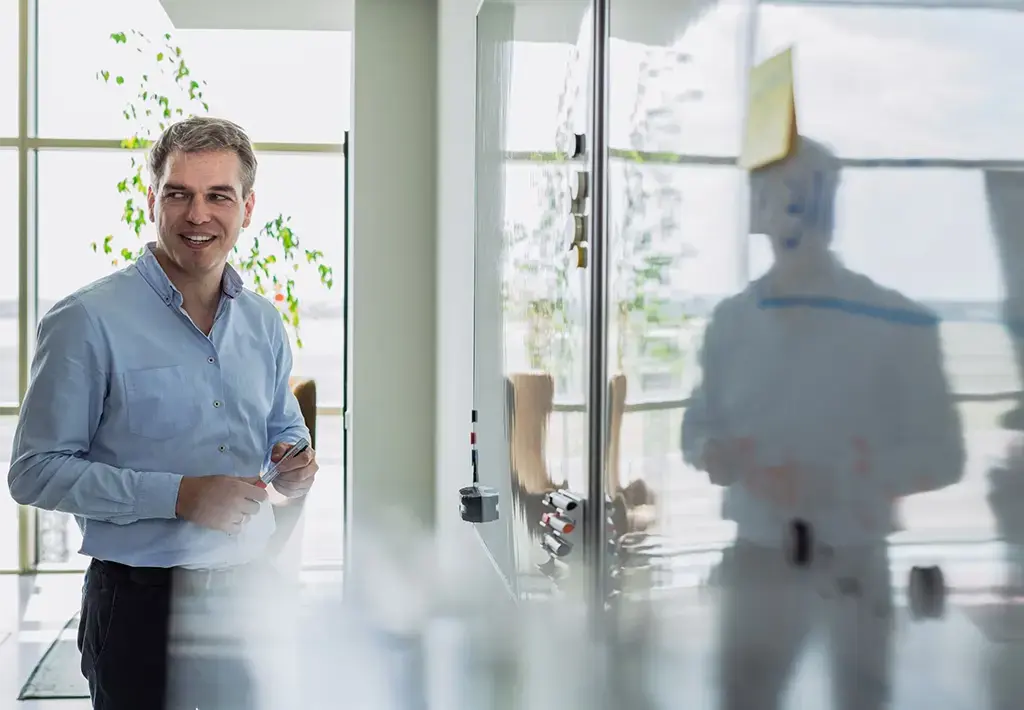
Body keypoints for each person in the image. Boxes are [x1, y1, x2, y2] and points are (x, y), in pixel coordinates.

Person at [7, 116, 320, 710]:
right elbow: (34, 472)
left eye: (218, 196)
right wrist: (179, 496)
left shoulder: (263, 322)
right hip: (137, 607)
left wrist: (293, 460)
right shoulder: (85, 320)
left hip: (249, 598)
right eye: (179, 194)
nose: (198, 214)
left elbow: (282, 425)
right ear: (154, 201)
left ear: (246, 208)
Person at [681, 137, 965, 710]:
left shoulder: (895, 323)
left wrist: (849, 477)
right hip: (756, 559)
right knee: (743, 700)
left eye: (807, 196)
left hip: (854, 565)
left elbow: (945, 454)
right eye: (777, 196)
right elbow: (696, 427)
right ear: (758, 210)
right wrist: (714, 451)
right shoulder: (730, 323)